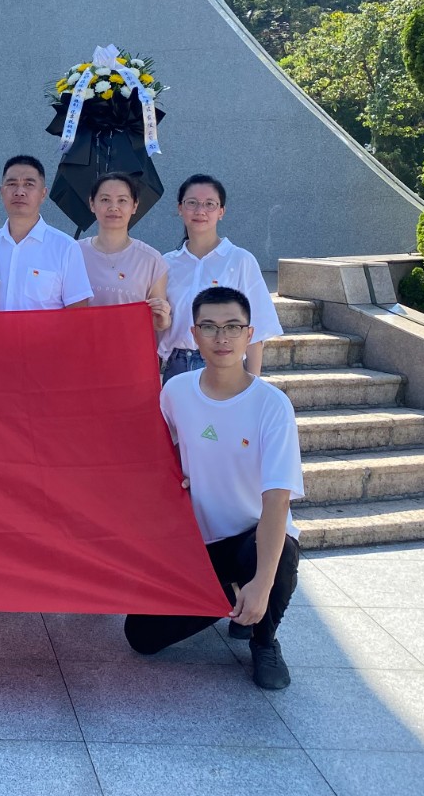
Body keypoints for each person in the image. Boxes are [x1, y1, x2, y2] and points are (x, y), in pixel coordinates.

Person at [123, 287, 302, 691]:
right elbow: (157, 455)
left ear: (249, 334)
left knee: (282, 553)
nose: (222, 338)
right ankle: (233, 600)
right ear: (194, 334)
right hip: (196, 546)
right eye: (209, 327)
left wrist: (262, 585)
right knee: (141, 637)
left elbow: (277, 501)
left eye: (233, 327)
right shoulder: (176, 392)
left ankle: (264, 640)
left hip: (251, 538)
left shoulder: (271, 405)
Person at [154, 174, 282, 382]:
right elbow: (158, 329)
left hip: (225, 366)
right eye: (192, 203)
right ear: (180, 209)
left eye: (210, 204)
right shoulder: (166, 263)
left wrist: (254, 386)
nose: (200, 211)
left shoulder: (240, 260)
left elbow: (256, 330)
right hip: (177, 369)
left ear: (221, 211)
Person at [0, 155, 93, 311]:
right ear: (1, 191)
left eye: (29, 184)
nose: (20, 192)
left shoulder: (65, 248)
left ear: (43, 194)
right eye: (12, 184)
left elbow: (78, 311)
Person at [78, 172, 171, 336]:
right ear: (92, 204)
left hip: (128, 348)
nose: (113, 207)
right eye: (105, 200)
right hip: (81, 346)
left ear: (134, 206)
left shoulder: (151, 260)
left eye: (122, 200)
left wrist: (163, 319)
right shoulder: (73, 253)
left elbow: (158, 320)